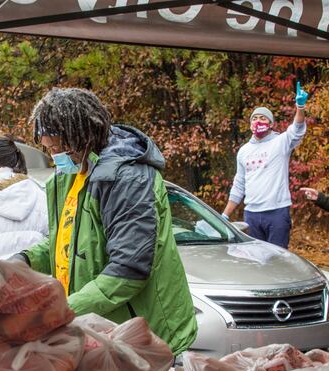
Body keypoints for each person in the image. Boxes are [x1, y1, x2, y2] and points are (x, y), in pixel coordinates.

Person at [15, 88, 197, 355]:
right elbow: (69, 241)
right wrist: (25, 259)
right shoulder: (70, 175)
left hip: (144, 338)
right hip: (100, 330)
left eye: (57, 147)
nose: (54, 156)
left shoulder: (127, 179)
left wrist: (61, 310)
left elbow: (128, 270)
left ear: (81, 137)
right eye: (48, 148)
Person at [222, 81, 309, 248]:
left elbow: (297, 129)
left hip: (277, 212)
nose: (258, 121)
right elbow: (239, 186)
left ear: (270, 124)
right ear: (250, 125)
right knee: (256, 262)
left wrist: (300, 107)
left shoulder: (280, 142)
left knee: (278, 261)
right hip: (252, 215)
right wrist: (225, 215)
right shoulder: (244, 151)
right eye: (254, 118)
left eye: (263, 118)